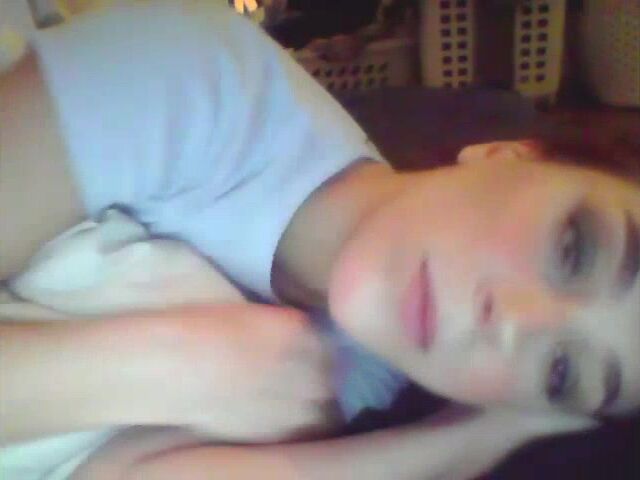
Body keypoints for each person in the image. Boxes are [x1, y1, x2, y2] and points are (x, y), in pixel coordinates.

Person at [0, 0, 638, 478]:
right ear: (505, 154)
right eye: (574, 249)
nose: (512, 321)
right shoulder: (193, 84)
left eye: (561, 371)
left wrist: (480, 435)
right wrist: (181, 360)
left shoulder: (374, 367)